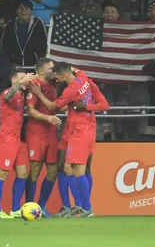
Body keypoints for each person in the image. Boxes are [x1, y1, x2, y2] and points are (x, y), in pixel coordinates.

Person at [29, 62, 109, 218]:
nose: (55, 79)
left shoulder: (70, 90)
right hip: (76, 128)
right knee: (66, 167)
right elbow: (73, 69)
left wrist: (38, 93)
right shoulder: (82, 75)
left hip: (80, 130)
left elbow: (53, 107)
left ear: (64, 75)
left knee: (79, 170)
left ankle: (86, 208)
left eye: (57, 76)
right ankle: (77, 205)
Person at [0, 68, 36, 219]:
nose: (25, 81)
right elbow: (9, 95)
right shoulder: (6, 93)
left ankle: (15, 209)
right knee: (2, 174)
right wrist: (21, 82)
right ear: (14, 80)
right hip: (6, 139)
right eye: (21, 78)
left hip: (17, 140)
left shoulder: (23, 96)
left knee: (23, 174)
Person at [25, 58, 63, 217]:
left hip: (51, 132)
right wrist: (47, 118)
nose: (53, 71)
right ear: (41, 71)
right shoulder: (34, 85)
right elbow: (30, 111)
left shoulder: (53, 85)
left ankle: (40, 206)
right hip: (37, 131)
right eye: (50, 68)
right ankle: (28, 207)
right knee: (35, 170)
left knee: (53, 171)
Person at [1, 0, 47, 67]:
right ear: (16, 11)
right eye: (21, 8)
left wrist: (40, 62)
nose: (24, 11)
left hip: (34, 66)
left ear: (31, 11)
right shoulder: (10, 25)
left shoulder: (38, 23)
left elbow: (44, 45)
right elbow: (5, 46)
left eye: (27, 8)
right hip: (15, 67)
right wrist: (10, 62)